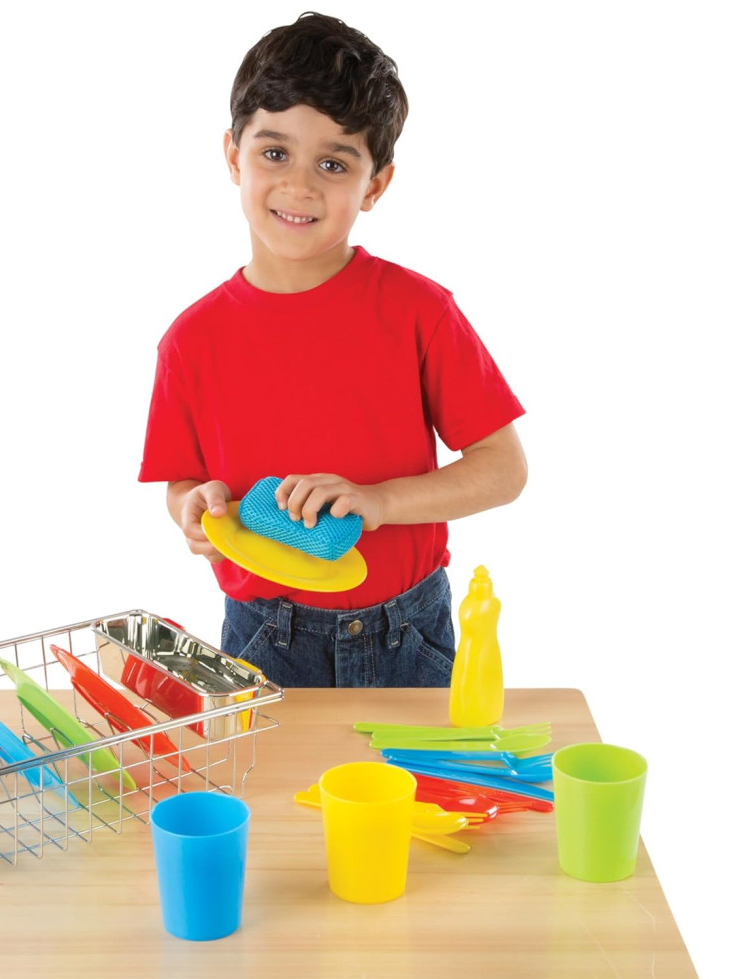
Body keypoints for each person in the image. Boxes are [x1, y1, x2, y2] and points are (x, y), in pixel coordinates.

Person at [138, 12, 527, 688]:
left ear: (374, 184)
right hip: (264, 634)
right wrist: (194, 509)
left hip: (407, 630)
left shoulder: (419, 311)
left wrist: (378, 502)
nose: (300, 186)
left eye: (333, 163)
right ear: (233, 155)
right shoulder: (191, 341)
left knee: (421, 765)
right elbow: (182, 484)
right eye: (274, 153)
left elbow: (503, 470)